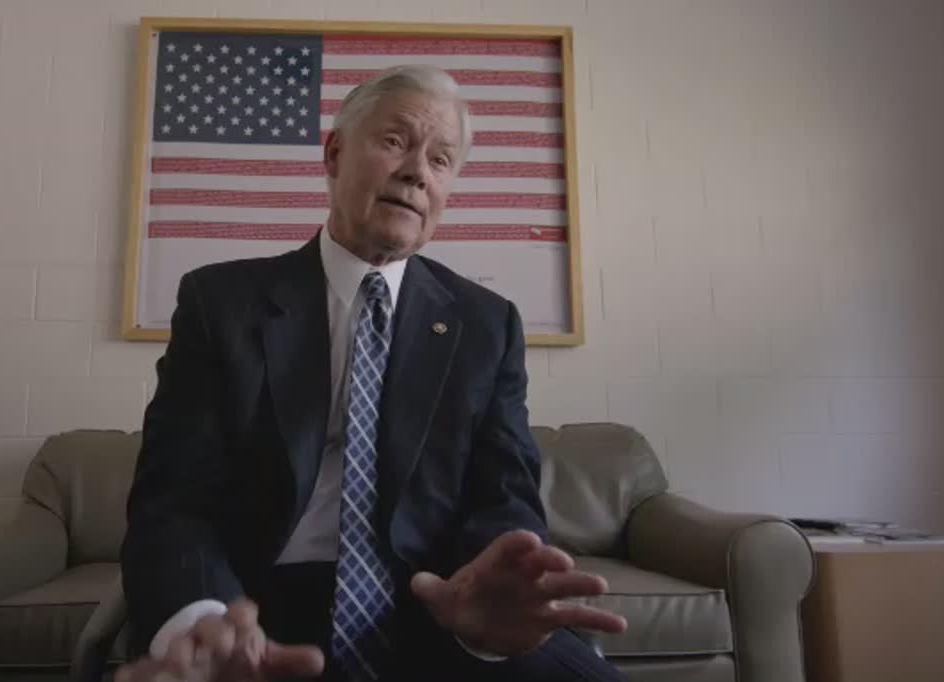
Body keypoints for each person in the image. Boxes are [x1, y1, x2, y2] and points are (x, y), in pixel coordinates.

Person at [117, 64, 627, 682]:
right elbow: (174, 502)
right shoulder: (220, 305)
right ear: (334, 153)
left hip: (443, 603)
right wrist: (203, 616)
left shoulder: (487, 325)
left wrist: (489, 592)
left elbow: (505, 496)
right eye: (394, 142)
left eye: (440, 160)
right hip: (256, 606)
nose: (417, 172)